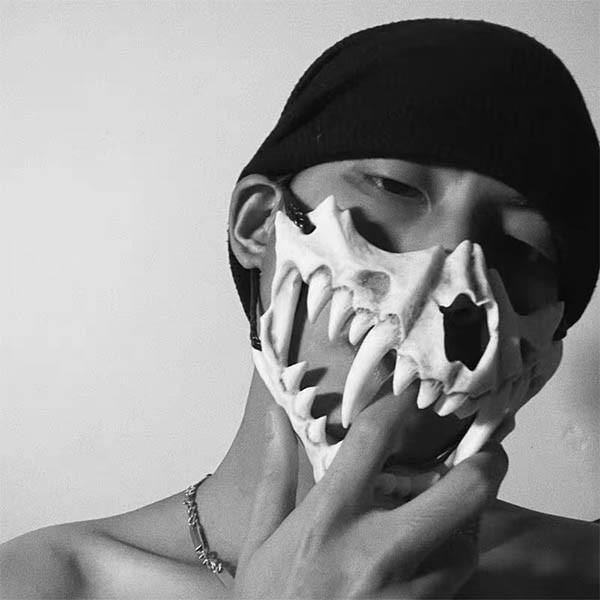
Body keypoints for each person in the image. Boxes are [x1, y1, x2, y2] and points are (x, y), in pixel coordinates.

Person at [1, 18, 598, 600]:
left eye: (524, 246)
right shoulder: (41, 583)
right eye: (393, 188)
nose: (448, 278)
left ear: (550, 340)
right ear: (261, 223)